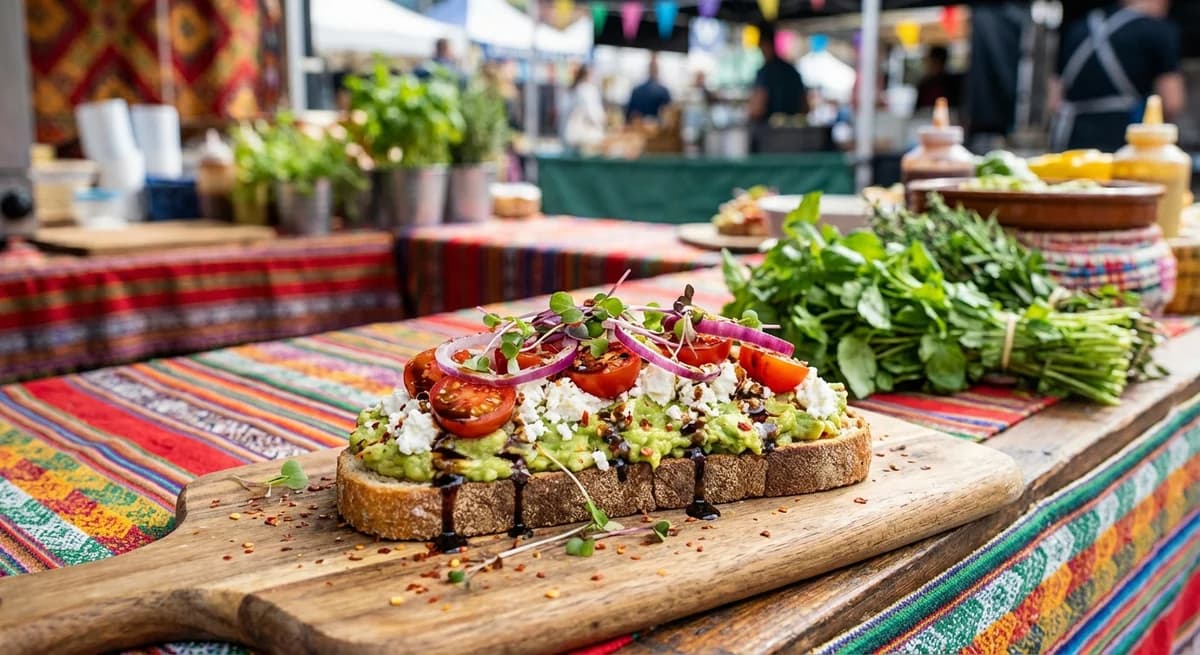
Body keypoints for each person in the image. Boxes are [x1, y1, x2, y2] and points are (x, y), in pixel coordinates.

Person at [1048, 0, 1183, 152]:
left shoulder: (1079, 27)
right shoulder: (1159, 30)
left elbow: (1053, 100)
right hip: (1122, 143)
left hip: (1069, 139)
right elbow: (1171, 103)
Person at [748, 25, 809, 125]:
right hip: (794, 133)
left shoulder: (765, 72)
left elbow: (758, 108)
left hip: (769, 134)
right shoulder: (792, 71)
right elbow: (805, 107)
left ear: (765, 45)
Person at [562, 65, 606, 151]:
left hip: (571, 134)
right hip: (587, 137)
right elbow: (594, 114)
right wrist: (602, 120)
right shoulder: (588, 89)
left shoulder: (573, 89)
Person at [625, 54, 672, 123]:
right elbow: (630, 114)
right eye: (653, 67)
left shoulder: (664, 92)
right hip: (643, 128)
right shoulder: (664, 91)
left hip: (645, 128)